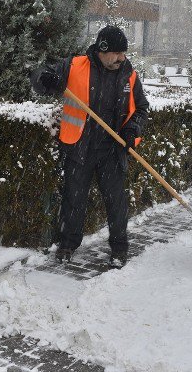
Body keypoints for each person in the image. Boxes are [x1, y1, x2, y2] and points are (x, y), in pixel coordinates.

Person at [30, 25, 150, 268]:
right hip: (78, 147)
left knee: (116, 202)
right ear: (102, 50)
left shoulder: (129, 76)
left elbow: (141, 109)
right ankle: (67, 244)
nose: (121, 58)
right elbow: (38, 76)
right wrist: (45, 79)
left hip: (111, 151)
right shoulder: (74, 66)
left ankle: (119, 248)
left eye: (124, 53)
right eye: (117, 53)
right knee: (73, 200)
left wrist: (131, 132)